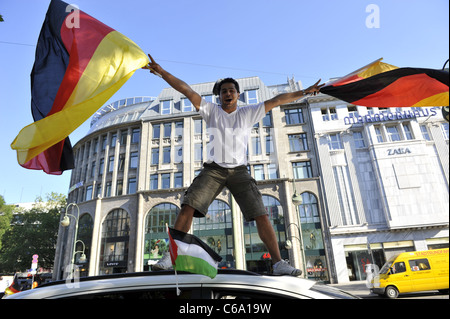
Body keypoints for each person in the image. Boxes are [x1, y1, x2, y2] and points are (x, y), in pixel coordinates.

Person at [144, 54, 324, 276]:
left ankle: (278, 263)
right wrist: (162, 72)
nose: (227, 93)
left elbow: (277, 99)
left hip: (239, 171)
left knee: (261, 213)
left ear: (238, 95)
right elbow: (186, 90)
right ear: (218, 97)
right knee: (188, 205)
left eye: (231, 90)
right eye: (223, 91)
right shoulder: (211, 110)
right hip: (213, 170)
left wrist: (304, 92)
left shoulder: (249, 112)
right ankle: (170, 256)